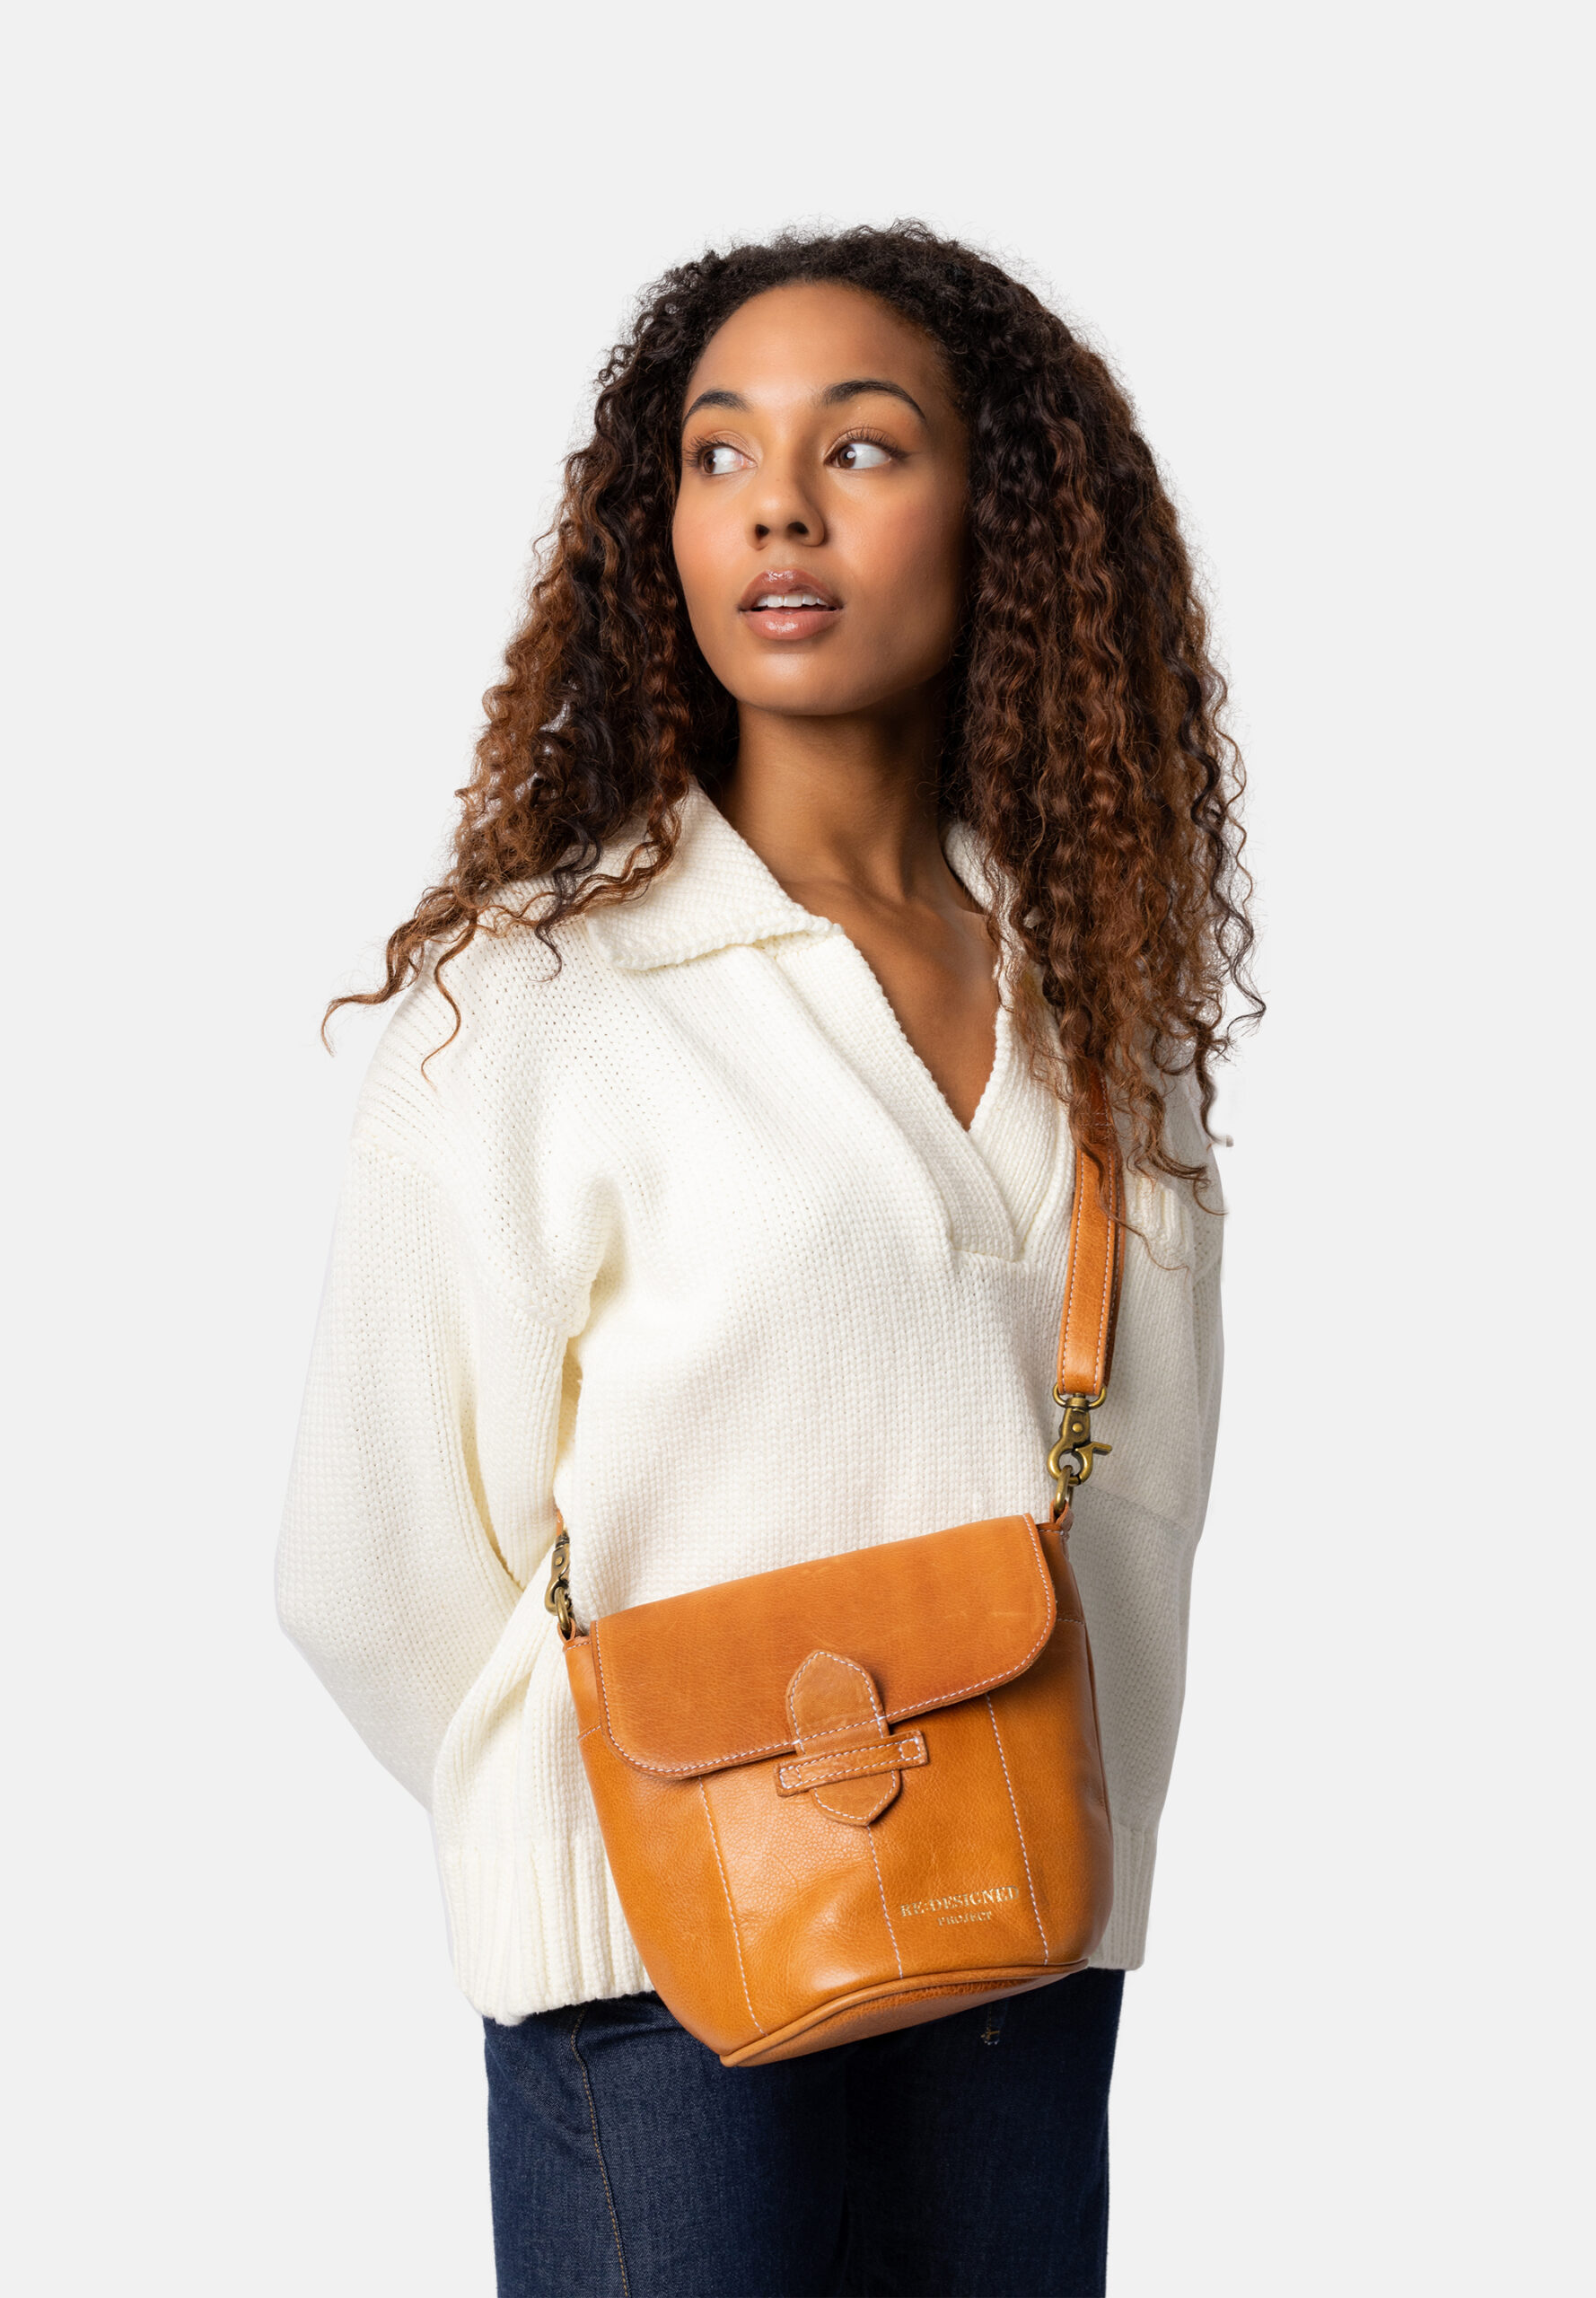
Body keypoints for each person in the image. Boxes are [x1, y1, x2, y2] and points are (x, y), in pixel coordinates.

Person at [276, 222, 1258, 2298]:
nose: (776, 506)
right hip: (652, 1968)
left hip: (1024, 1931)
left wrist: (1074, 1851)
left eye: (862, 446)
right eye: (717, 452)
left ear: (1006, 517)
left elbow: (1145, 1501)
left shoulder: (1107, 1004)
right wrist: (587, 1826)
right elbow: (372, 1561)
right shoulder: (536, 1002)